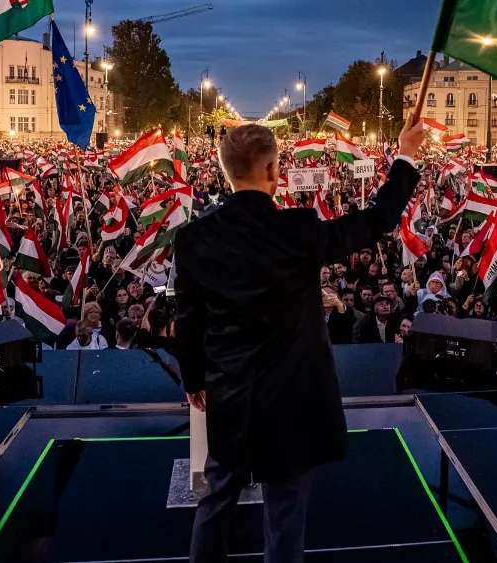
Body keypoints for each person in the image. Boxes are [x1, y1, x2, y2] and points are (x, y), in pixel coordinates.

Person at [174, 119, 423, 563]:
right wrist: (404, 153)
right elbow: (378, 220)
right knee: (285, 517)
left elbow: (189, 320)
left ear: (227, 172)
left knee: (216, 502)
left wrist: (193, 378)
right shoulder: (298, 229)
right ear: (273, 171)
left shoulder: (193, 238)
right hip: (292, 400)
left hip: (230, 396)